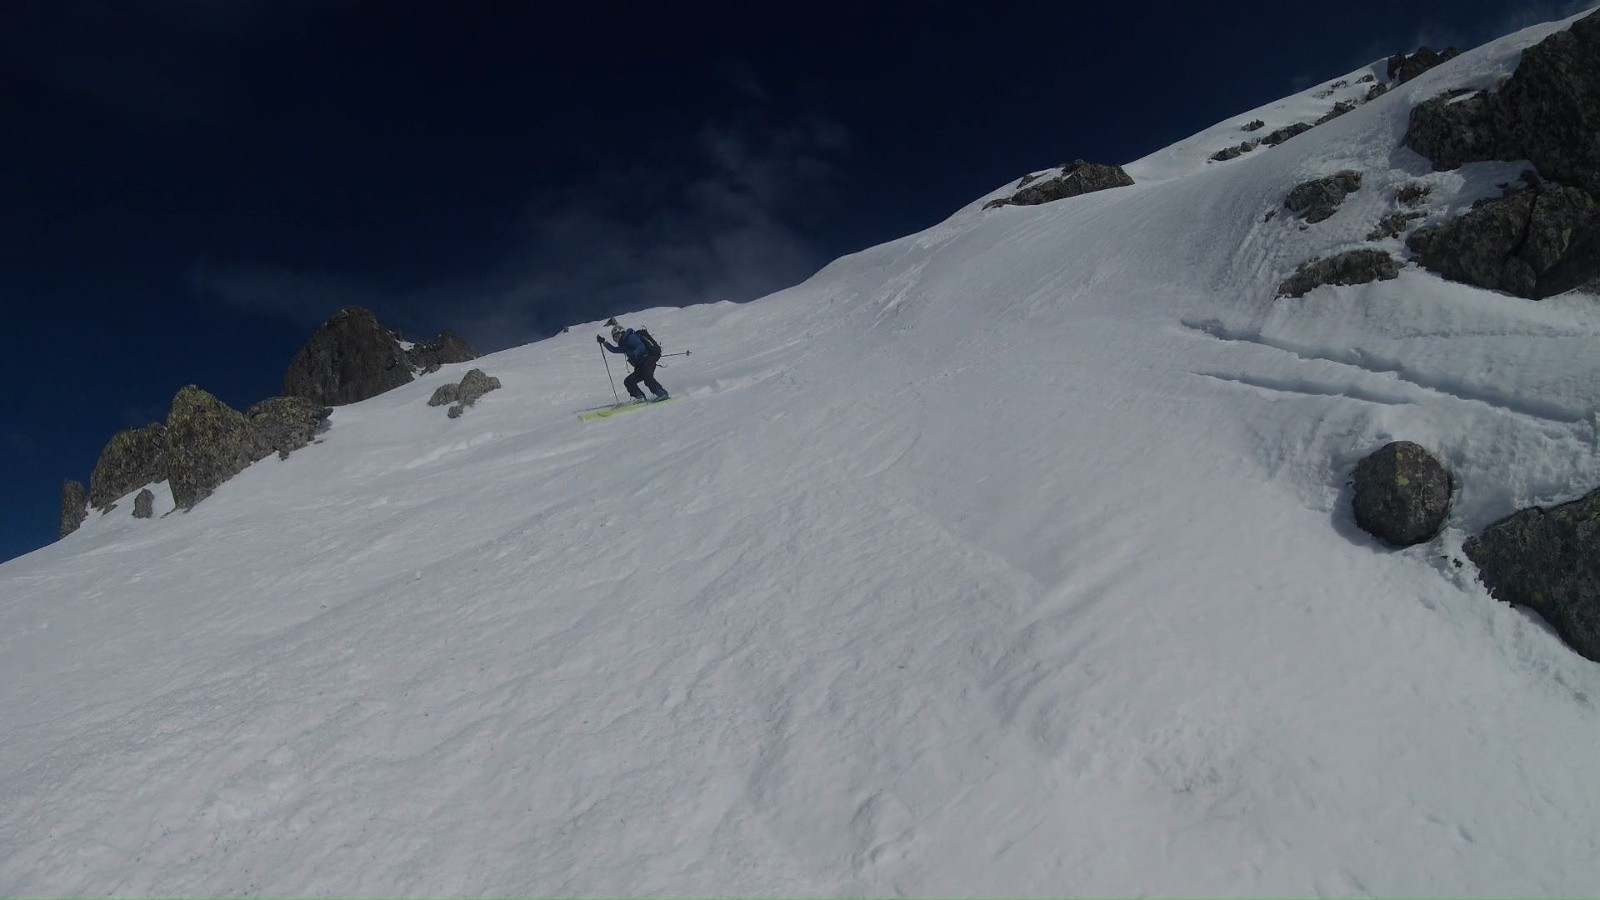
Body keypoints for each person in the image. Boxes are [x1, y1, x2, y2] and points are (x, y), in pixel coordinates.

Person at [597, 324, 669, 402]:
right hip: (640, 365)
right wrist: (604, 342)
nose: (615, 339)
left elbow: (641, 347)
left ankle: (662, 394)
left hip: (648, 359)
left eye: (616, 336)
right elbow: (614, 350)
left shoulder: (630, 337)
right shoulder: (624, 344)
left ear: (621, 333)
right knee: (629, 381)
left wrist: (635, 353)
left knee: (647, 378)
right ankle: (640, 397)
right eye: (614, 338)